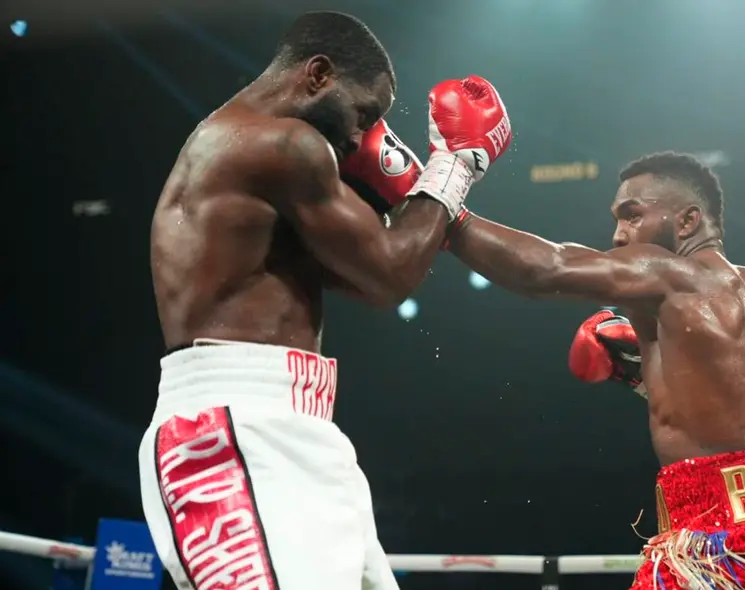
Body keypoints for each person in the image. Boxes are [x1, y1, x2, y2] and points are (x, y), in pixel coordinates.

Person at [140, 11, 511, 590]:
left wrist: (410, 196)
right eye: (365, 113)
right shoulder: (283, 145)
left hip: (295, 424)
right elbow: (393, 274)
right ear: (317, 75)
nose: (363, 137)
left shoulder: (248, 157)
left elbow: (374, 277)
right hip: (233, 429)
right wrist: (455, 164)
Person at [446, 152, 745, 589]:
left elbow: (549, 267)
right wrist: (646, 378)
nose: (619, 235)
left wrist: (444, 208)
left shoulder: (671, 276)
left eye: (632, 216)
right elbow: (744, 417)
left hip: (719, 550)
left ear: (687, 221)